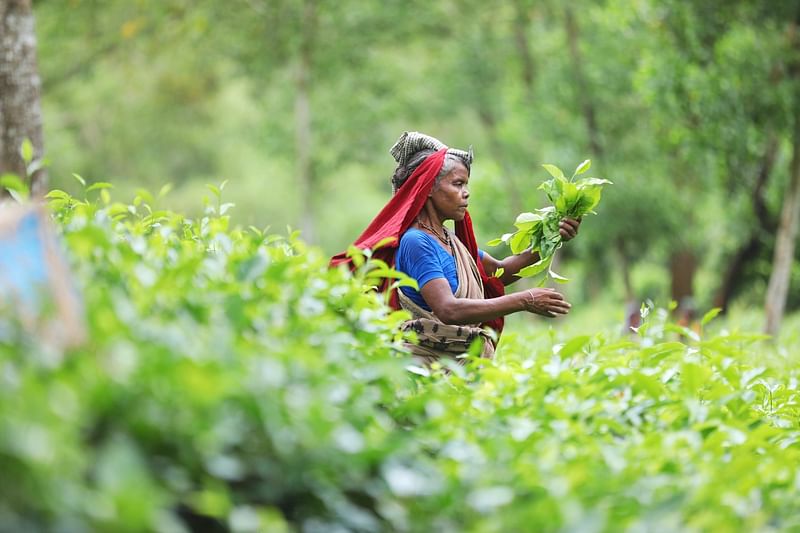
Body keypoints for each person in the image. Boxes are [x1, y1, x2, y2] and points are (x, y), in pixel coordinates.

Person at [331, 132, 580, 364]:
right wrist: (524, 300)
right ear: (427, 188)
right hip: (430, 370)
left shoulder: (449, 240)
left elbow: (500, 272)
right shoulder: (416, 242)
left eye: (466, 185)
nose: (466, 193)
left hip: (460, 367)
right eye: (458, 184)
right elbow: (448, 309)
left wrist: (552, 236)